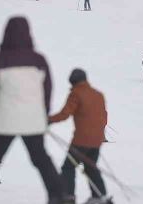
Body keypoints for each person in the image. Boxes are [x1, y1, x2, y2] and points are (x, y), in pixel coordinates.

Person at [0, 17, 64, 204]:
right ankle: (58, 197)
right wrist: (44, 115)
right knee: (41, 160)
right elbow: (48, 90)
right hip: (32, 121)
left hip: (5, 120)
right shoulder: (39, 60)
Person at [49, 69, 109, 203]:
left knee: (68, 167)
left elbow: (65, 114)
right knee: (90, 167)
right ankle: (99, 196)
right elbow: (104, 117)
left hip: (81, 140)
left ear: (73, 81)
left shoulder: (76, 93)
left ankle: (68, 196)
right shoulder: (98, 95)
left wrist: (48, 120)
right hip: (97, 140)